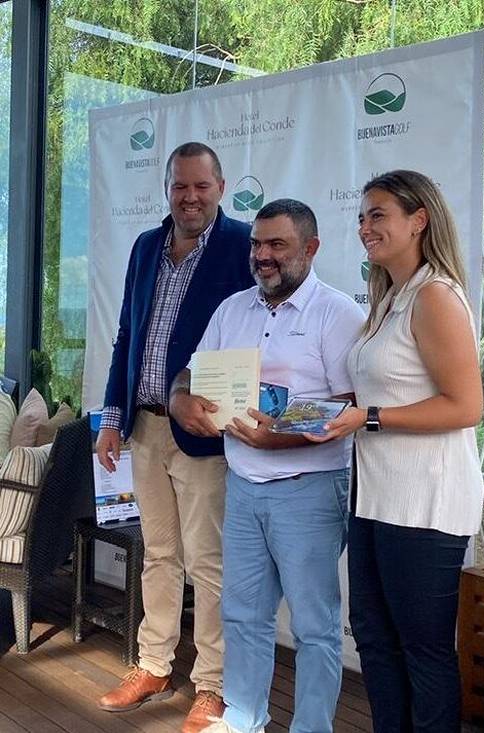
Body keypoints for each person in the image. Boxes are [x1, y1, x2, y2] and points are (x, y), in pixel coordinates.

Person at [168, 198, 365, 733]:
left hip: (310, 489)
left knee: (316, 628)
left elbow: (348, 407)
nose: (263, 255)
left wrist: (274, 438)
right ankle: (244, 718)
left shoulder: (339, 313)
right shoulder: (233, 309)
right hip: (245, 488)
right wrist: (180, 402)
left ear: (311, 248)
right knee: (243, 617)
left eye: (277, 244)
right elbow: (188, 378)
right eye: (258, 244)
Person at [311, 170, 484, 731]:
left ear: (419, 219)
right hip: (375, 498)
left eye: (378, 214)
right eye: (362, 216)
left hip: (425, 505)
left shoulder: (434, 296)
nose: (365, 227)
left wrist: (371, 418)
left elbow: (465, 407)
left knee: (423, 651)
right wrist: (314, 411)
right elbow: (379, 390)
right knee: (376, 641)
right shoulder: (389, 298)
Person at [96, 142, 254, 733]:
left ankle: (212, 685)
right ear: (168, 190)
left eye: (201, 186)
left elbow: (256, 330)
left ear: (220, 186)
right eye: (180, 187)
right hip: (145, 427)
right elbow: (125, 338)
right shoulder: (144, 247)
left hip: (204, 433)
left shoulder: (242, 246)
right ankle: (154, 665)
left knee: (208, 563)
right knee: (158, 555)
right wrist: (113, 418)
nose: (190, 197)